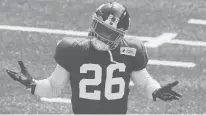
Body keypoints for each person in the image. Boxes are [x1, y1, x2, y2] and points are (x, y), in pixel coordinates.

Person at [6, 2, 182, 114]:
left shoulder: (130, 51)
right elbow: (53, 87)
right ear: (93, 24)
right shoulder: (73, 50)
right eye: (100, 29)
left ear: (121, 36)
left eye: (110, 34)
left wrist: (156, 91)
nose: (102, 37)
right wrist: (31, 84)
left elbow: (144, 83)